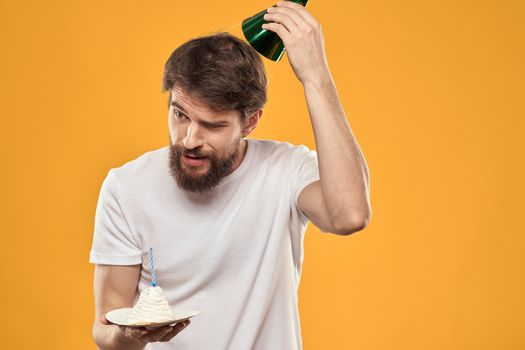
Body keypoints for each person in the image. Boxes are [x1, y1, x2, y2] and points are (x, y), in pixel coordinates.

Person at [90, 1, 371, 349]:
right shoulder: (126, 187)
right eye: (180, 115)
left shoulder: (285, 170)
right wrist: (128, 334)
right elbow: (106, 329)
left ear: (250, 121)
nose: (190, 140)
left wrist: (316, 76)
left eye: (212, 125)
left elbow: (350, 215)